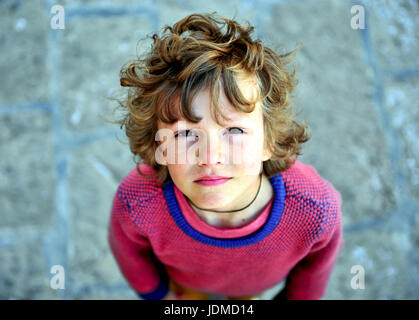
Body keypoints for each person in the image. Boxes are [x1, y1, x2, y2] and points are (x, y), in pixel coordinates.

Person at [108, 12, 343, 300]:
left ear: (269, 140)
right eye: (184, 134)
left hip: (252, 289)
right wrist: (159, 295)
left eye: (234, 130)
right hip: (185, 289)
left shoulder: (314, 208)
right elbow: (129, 253)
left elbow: (316, 269)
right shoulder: (137, 202)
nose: (210, 157)